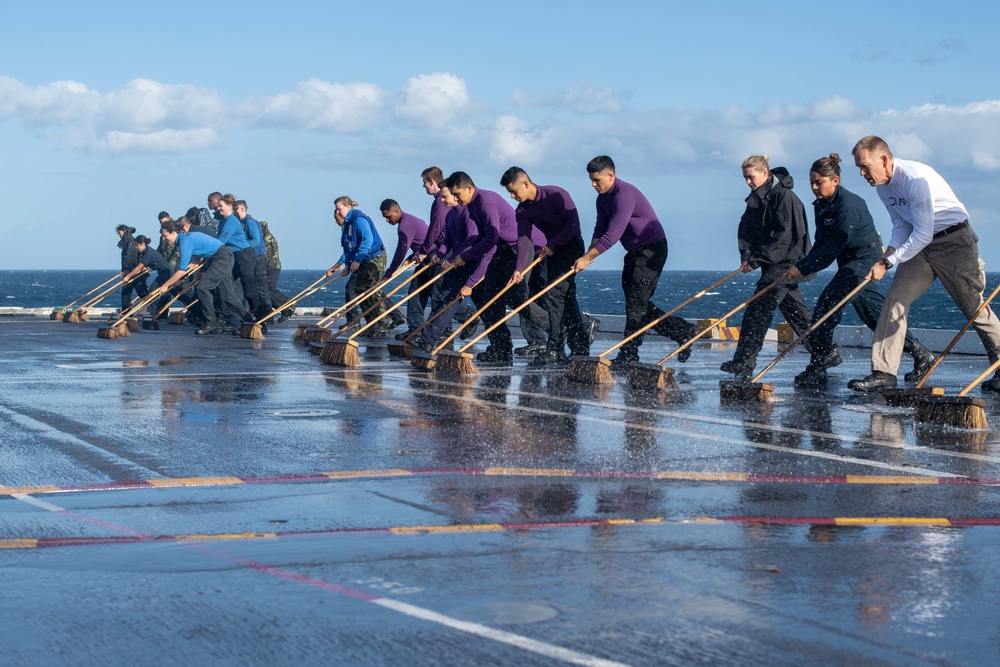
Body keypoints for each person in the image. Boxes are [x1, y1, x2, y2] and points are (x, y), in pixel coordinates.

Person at [847, 136, 1000, 392]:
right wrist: (887, 257)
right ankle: (883, 372)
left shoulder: (915, 179)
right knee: (895, 300)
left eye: (865, 166)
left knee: (974, 308)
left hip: (954, 242)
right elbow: (901, 225)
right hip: (921, 247)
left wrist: (890, 262)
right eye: (859, 168)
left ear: (884, 160)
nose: (862, 173)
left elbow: (923, 232)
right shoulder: (882, 186)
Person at [784, 154, 935, 387]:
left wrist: (800, 269)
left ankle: (821, 360)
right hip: (848, 260)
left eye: (819, 182)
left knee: (827, 306)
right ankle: (922, 355)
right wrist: (800, 264)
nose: (814, 187)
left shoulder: (848, 206)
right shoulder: (821, 205)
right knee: (874, 315)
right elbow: (821, 244)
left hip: (865, 259)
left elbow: (830, 249)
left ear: (835, 180)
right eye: (811, 182)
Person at [573, 156, 698, 371]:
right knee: (638, 304)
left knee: (636, 304)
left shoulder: (625, 195)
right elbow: (600, 229)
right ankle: (683, 331)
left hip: (652, 250)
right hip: (633, 251)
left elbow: (612, 235)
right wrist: (588, 253)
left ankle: (629, 354)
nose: (593, 184)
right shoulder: (602, 198)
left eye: (597, 180)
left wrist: (587, 258)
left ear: (611, 176)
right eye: (591, 180)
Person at [720, 155, 815, 379]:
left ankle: (744, 362)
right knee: (796, 312)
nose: (748, 182)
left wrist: (757, 260)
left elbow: (785, 237)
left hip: (787, 262)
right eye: (745, 178)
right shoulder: (757, 198)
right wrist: (746, 255)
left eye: (751, 177)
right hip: (771, 262)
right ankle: (825, 352)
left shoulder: (784, 197)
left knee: (758, 308)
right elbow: (745, 228)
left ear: (765, 173)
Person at [441, 171, 548, 365]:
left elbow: (491, 238)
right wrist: (465, 255)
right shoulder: (471, 205)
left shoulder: (485, 202)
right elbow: (484, 238)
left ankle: (559, 328)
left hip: (518, 249)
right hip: (501, 251)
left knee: (517, 298)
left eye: (457, 194)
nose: (455, 199)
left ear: (469, 188)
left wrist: (468, 264)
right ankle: (502, 349)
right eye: (453, 195)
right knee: (488, 301)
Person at [501, 166, 596, 366]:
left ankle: (555, 348)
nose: (512, 196)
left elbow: (573, 225)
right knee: (565, 297)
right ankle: (579, 346)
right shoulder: (523, 210)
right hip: (553, 249)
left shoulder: (556, 194)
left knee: (554, 294)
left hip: (570, 246)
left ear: (526, 184)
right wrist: (519, 269)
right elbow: (524, 239)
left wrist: (552, 244)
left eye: (514, 191)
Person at [409, 182, 481, 350]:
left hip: (473, 261)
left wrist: (455, 256)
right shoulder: (450, 215)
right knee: (443, 297)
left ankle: (474, 322)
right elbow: (447, 240)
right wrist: (439, 255)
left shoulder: (467, 213)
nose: (441, 199)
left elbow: (471, 238)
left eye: (444, 196)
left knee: (483, 302)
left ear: (455, 196)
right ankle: (428, 339)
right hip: (456, 261)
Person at [157, 220, 244, 335]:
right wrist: (198, 260)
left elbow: (182, 270)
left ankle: (210, 323)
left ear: (173, 233)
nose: (164, 238)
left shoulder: (184, 241)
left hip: (221, 258)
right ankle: (247, 321)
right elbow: (204, 247)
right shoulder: (186, 237)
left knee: (202, 288)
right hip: (221, 257)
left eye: (165, 235)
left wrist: (165, 286)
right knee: (227, 295)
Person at [325, 197, 394, 337]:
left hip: (374, 258)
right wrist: (347, 265)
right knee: (360, 290)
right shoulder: (347, 224)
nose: (337, 212)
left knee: (372, 291)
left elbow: (367, 240)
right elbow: (349, 247)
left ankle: (383, 324)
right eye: (336, 209)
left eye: (339, 209)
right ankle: (371, 324)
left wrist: (357, 260)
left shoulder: (358, 219)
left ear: (348, 207)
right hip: (362, 259)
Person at [380, 199, 429, 338]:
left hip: (432, 257)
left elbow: (401, 250)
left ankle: (466, 315)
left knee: (434, 293)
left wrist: (389, 272)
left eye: (388, 217)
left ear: (396, 211)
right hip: (424, 256)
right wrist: (412, 256)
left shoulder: (404, 226)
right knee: (416, 294)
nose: (387, 221)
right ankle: (415, 329)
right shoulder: (409, 220)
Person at [215, 193, 256, 320]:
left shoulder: (231, 221)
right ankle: (228, 317)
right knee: (224, 285)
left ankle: (259, 316)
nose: (218, 208)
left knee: (248, 288)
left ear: (229, 206)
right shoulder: (223, 222)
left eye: (221, 206)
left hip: (243, 256)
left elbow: (220, 241)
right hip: (232, 256)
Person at [236, 199, 273, 321]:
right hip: (251, 257)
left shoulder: (250, 222)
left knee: (260, 286)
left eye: (236, 209)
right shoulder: (241, 223)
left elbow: (256, 240)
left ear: (242, 209)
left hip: (257, 256)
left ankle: (267, 314)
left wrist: (242, 247)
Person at [125, 235, 174, 317]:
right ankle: (160, 313)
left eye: (137, 245)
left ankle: (153, 312)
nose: (136, 248)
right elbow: (150, 263)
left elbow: (139, 267)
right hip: (164, 272)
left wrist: (128, 277)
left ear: (142, 244)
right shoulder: (145, 252)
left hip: (166, 272)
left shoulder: (148, 252)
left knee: (152, 290)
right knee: (164, 293)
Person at [260, 220, 292, 321]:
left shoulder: (267, 238)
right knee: (267, 289)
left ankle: (286, 302)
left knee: (269, 288)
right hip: (270, 266)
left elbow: (264, 253)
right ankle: (283, 308)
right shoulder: (266, 237)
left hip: (273, 266)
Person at [115, 224, 147, 313]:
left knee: (141, 292)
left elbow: (130, 258)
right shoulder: (127, 242)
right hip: (129, 271)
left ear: (124, 232)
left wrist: (126, 270)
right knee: (126, 292)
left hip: (135, 271)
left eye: (120, 233)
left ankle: (155, 308)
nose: (119, 235)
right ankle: (126, 311)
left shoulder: (131, 242)